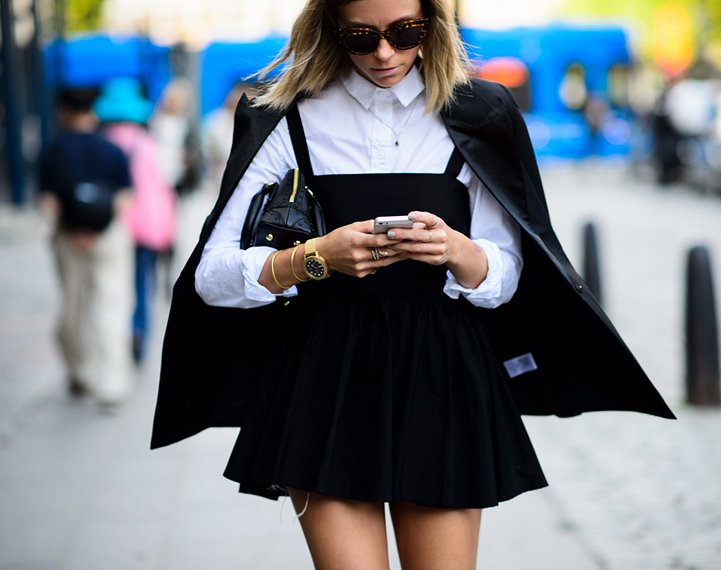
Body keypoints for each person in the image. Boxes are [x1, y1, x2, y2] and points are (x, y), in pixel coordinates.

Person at [151, 0, 675, 567]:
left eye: (405, 31)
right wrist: (316, 258)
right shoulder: (285, 115)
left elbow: (504, 277)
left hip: (443, 372)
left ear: (433, 25)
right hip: (324, 377)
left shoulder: (480, 111)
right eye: (361, 35)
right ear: (332, 29)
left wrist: (456, 251)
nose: (384, 52)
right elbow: (211, 277)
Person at [38, 87, 134, 408]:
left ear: (63, 111)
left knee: (74, 306)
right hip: (109, 237)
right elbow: (125, 197)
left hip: (68, 239)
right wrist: (99, 229)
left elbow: (48, 202)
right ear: (92, 112)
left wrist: (75, 230)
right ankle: (112, 385)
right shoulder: (112, 149)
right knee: (111, 306)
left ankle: (80, 370)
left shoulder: (53, 149)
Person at [94, 78, 177, 363]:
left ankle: (113, 340)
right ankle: (138, 333)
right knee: (143, 285)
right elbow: (164, 187)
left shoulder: (103, 143)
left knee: (113, 286)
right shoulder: (149, 143)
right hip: (147, 227)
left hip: (112, 224)